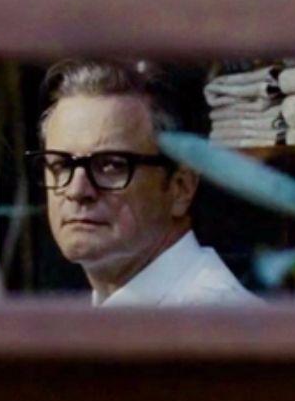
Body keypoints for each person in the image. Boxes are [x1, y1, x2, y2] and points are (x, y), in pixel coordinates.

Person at [27, 59, 260, 307]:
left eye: (111, 165)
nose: (77, 190)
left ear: (181, 188)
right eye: (61, 165)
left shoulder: (215, 320)